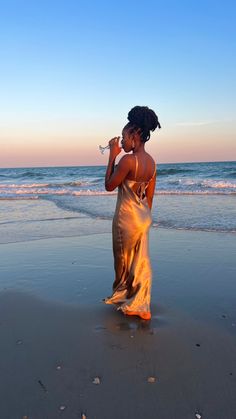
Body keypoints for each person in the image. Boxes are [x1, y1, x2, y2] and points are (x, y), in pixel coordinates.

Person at [103, 106, 161, 320]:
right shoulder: (152, 162)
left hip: (127, 217)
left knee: (123, 259)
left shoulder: (128, 161)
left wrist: (112, 155)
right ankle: (142, 304)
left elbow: (109, 186)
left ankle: (124, 297)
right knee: (140, 260)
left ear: (135, 135)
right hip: (143, 216)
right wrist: (144, 219)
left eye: (125, 137)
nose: (122, 142)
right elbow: (150, 197)